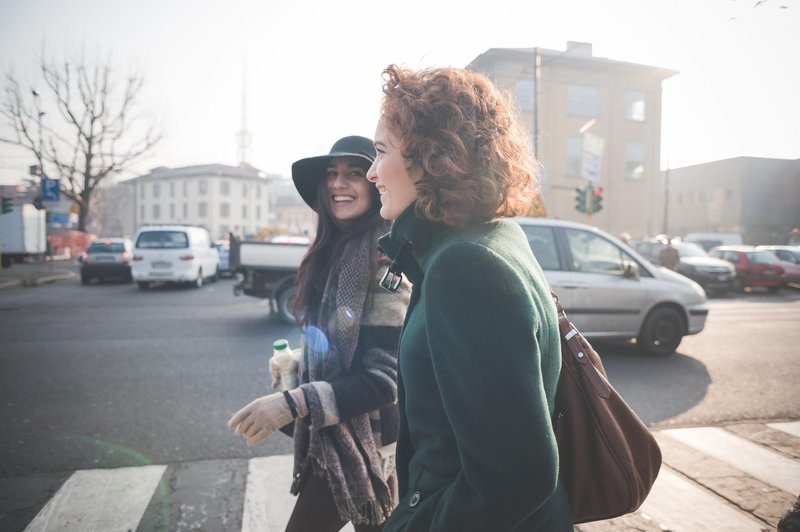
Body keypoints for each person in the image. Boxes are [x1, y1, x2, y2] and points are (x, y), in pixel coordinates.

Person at [366, 65, 572, 531]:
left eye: (380, 152)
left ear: (431, 157)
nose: (371, 171)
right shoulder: (493, 237)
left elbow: (516, 476)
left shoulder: (465, 265)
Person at [228, 136, 410, 532]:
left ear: (374, 184)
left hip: (359, 442)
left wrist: (290, 404)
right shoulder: (334, 254)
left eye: (354, 173)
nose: (338, 184)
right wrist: (297, 363)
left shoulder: (383, 266)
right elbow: (339, 348)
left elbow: (384, 380)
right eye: (331, 174)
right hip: (337, 436)